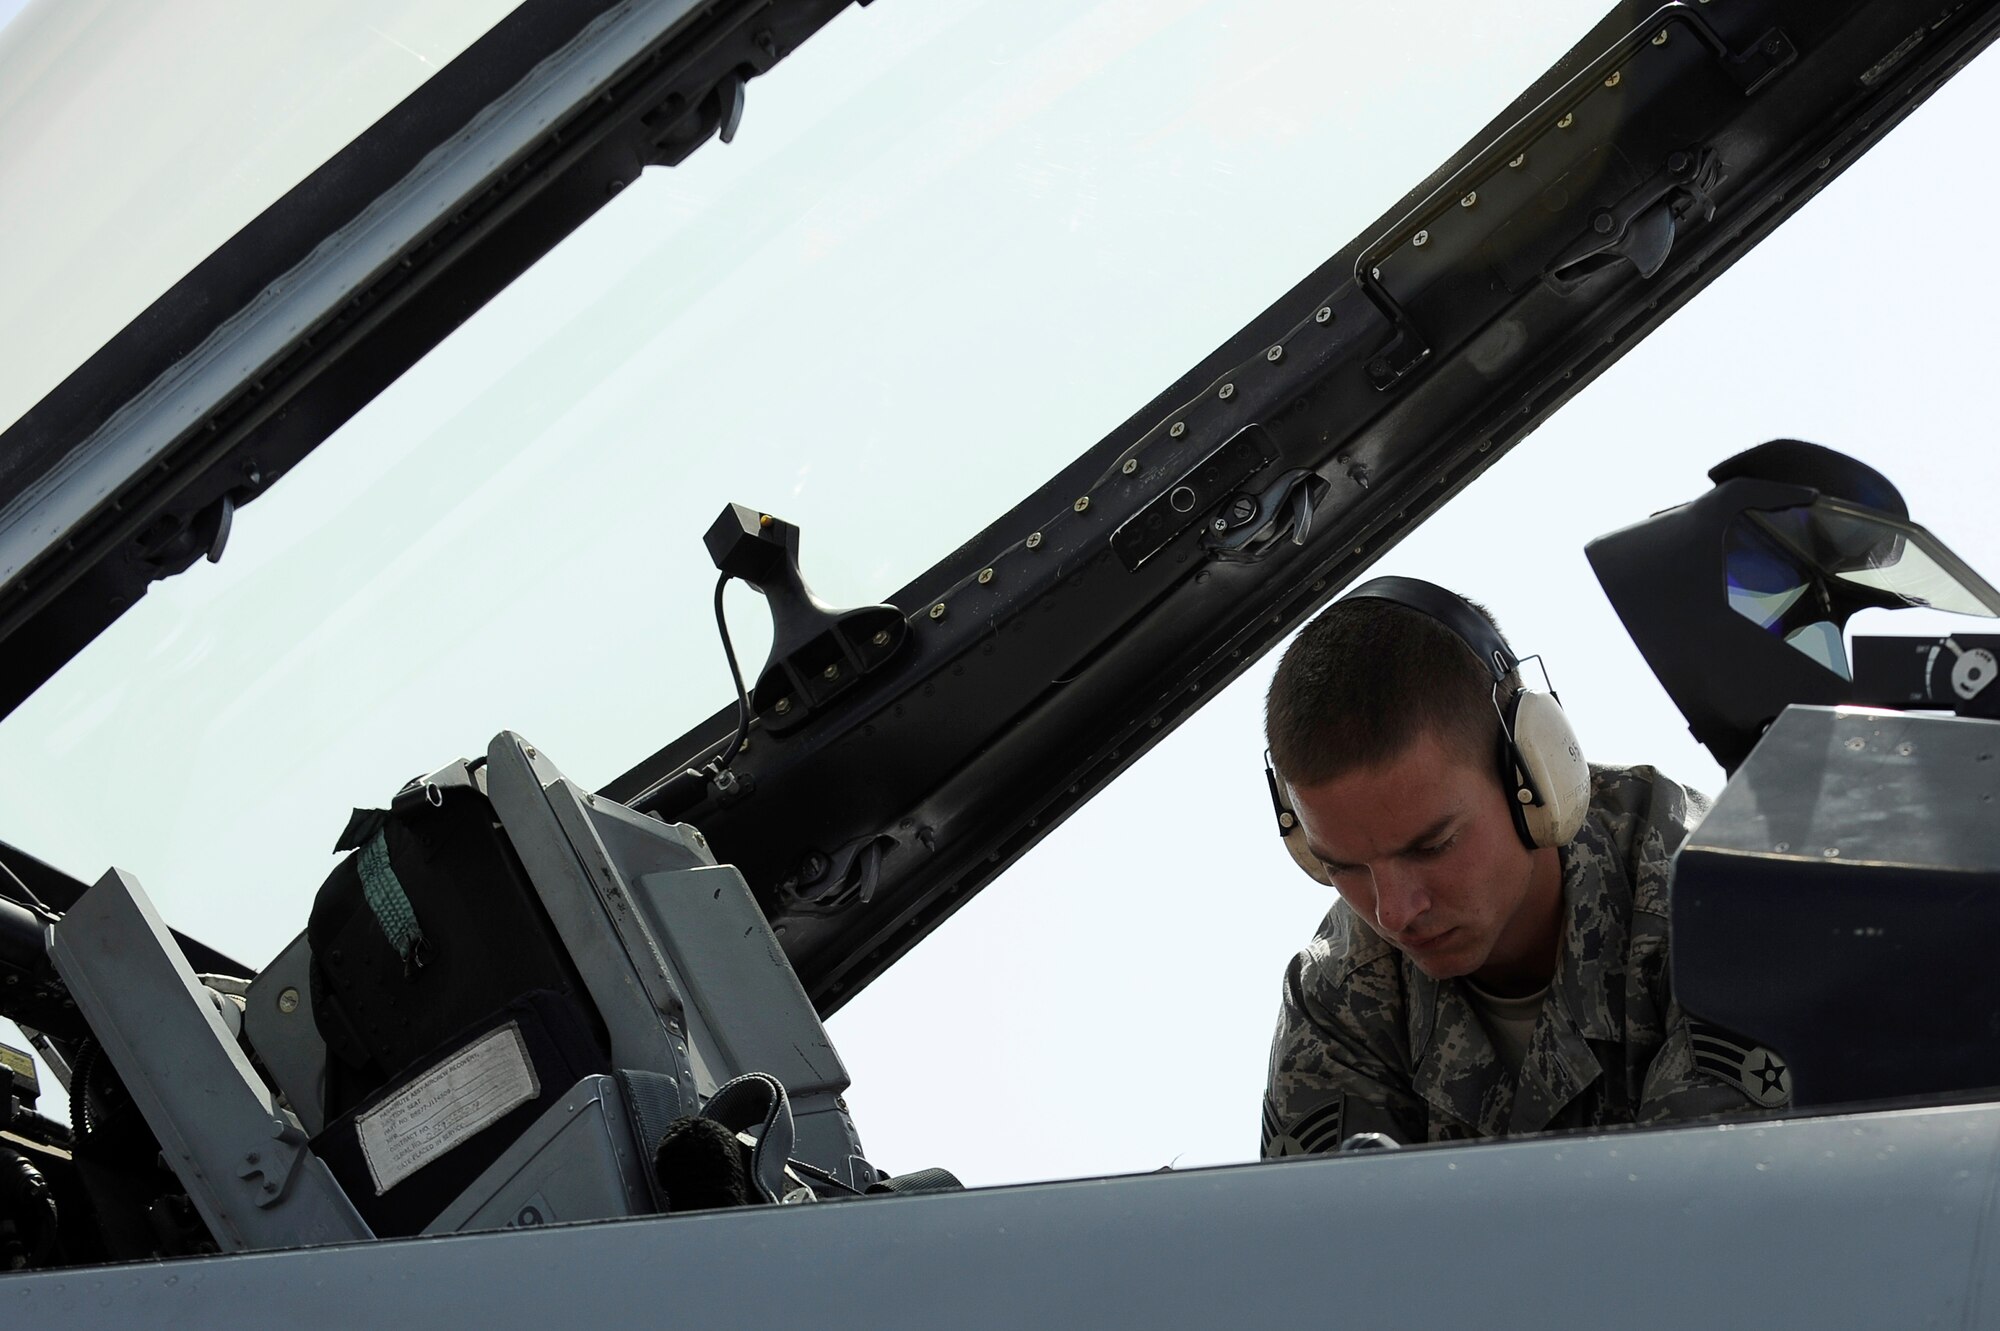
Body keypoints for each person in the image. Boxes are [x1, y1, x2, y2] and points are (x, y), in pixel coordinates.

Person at [1258, 576, 1790, 1154]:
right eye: (1344, 868)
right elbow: (1323, 1238)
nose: (1394, 911)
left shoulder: (1719, 899)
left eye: (1432, 847)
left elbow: (1700, 1214)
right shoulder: (1337, 996)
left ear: (1535, 780)